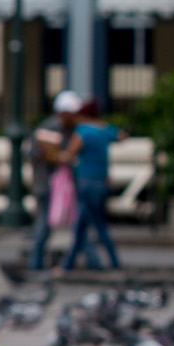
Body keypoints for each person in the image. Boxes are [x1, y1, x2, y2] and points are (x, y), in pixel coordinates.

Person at [61, 99, 122, 271]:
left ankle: (115, 263)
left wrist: (54, 154)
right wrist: (100, 124)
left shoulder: (83, 131)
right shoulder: (104, 131)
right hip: (102, 182)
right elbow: (122, 135)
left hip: (86, 182)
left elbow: (69, 155)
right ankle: (68, 263)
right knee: (82, 225)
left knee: (96, 226)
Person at [29, 91, 84, 270]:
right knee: (44, 225)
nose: (75, 116)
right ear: (62, 112)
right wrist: (52, 155)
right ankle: (35, 265)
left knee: (77, 222)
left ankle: (82, 261)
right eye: (72, 113)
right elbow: (32, 153)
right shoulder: (48, 128)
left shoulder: (70, 129)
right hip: (47, 184)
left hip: (63, 186)